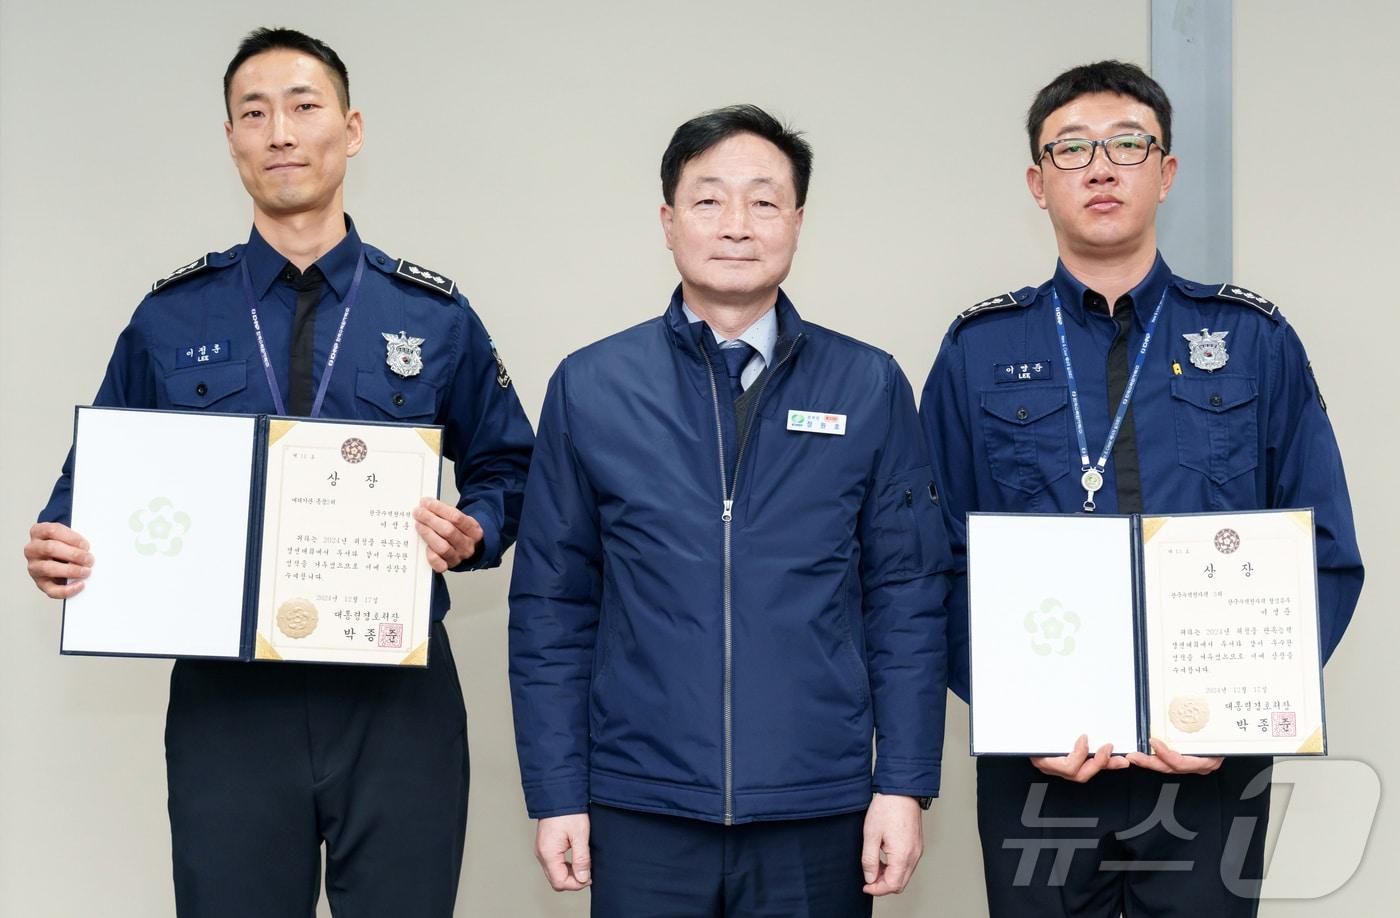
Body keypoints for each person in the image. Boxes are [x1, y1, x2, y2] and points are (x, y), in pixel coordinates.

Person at [22, 27, 534, 917]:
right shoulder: (170, 318)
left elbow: (509, 463)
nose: (281, 133)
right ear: (231, 141)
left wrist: (475, 528)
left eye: (304, 106)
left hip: (394, 695)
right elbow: (89, 489)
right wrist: (59, 547)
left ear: (352, 128)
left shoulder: (432, 315)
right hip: (229, 701)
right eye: (254, 114)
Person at [919, 60, 1364, 917]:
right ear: (1038, 183)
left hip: (1209, 765)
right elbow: (931, 558)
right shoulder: (979, 349)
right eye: (1071, 148)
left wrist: (1240, 713)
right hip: (1041, 762)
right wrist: (1014, 708)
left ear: (1166, 173)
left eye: (1128, 145)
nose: (1100, 167)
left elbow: (1326, 551)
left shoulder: (1251, 339)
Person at [507, 104, 952, 916]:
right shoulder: (592, 386)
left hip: (818, 803)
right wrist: (557, 790)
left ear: (798, 222)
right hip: (641, 802)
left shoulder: (868, 385)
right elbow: (551, 607)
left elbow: (907, 598)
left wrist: (903, 784)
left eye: (765, 201)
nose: (737, 225)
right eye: (709, 200)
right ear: (668, 222)